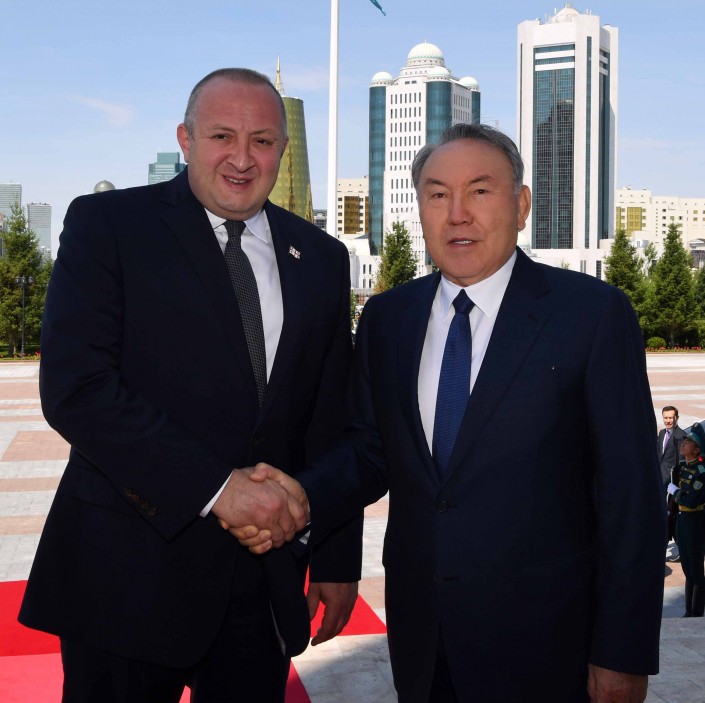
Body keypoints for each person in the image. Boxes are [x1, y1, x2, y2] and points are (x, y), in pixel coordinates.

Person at [235, 123, 665, 702]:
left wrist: (622, 651)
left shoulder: (591, 315)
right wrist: (301, 497)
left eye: (479, 191)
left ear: (521, 205)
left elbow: (631, 495)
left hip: (548, 644)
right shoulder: (389, 319)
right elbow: (370, 451)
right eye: (437, 194)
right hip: (424, 639)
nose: (457, 214)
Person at [19, 68, 360, 703]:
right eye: (222, 136)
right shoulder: (108, 225)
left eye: (262, 141)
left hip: (261, 585)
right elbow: (77, 387)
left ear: (283, 150)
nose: (242, 158)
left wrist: (337, 559)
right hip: (124, 579)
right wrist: (218, 490)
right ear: (185, 138)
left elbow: (329, 418)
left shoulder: (320, 256)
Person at [667, 421, 705, 617]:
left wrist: (676, 492)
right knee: (688, 571)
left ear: (697, 449)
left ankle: (696, 613)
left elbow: (691, 500)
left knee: (696, 572)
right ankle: (688, 611)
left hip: (695, 523)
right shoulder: (682, 468)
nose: (684, 443)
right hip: (682, 523)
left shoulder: (701, 471)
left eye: (688, 442)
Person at [659, 406, 686, 561]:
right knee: (663, 516)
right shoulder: (662, 433)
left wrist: (677, 486)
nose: (668, 420)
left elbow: (681, 463)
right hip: (661, 482)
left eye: (671, 417)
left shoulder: (681, 437)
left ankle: (682, 550)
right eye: (666, 417)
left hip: (672, 485)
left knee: (674, 517)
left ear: (677, 418)